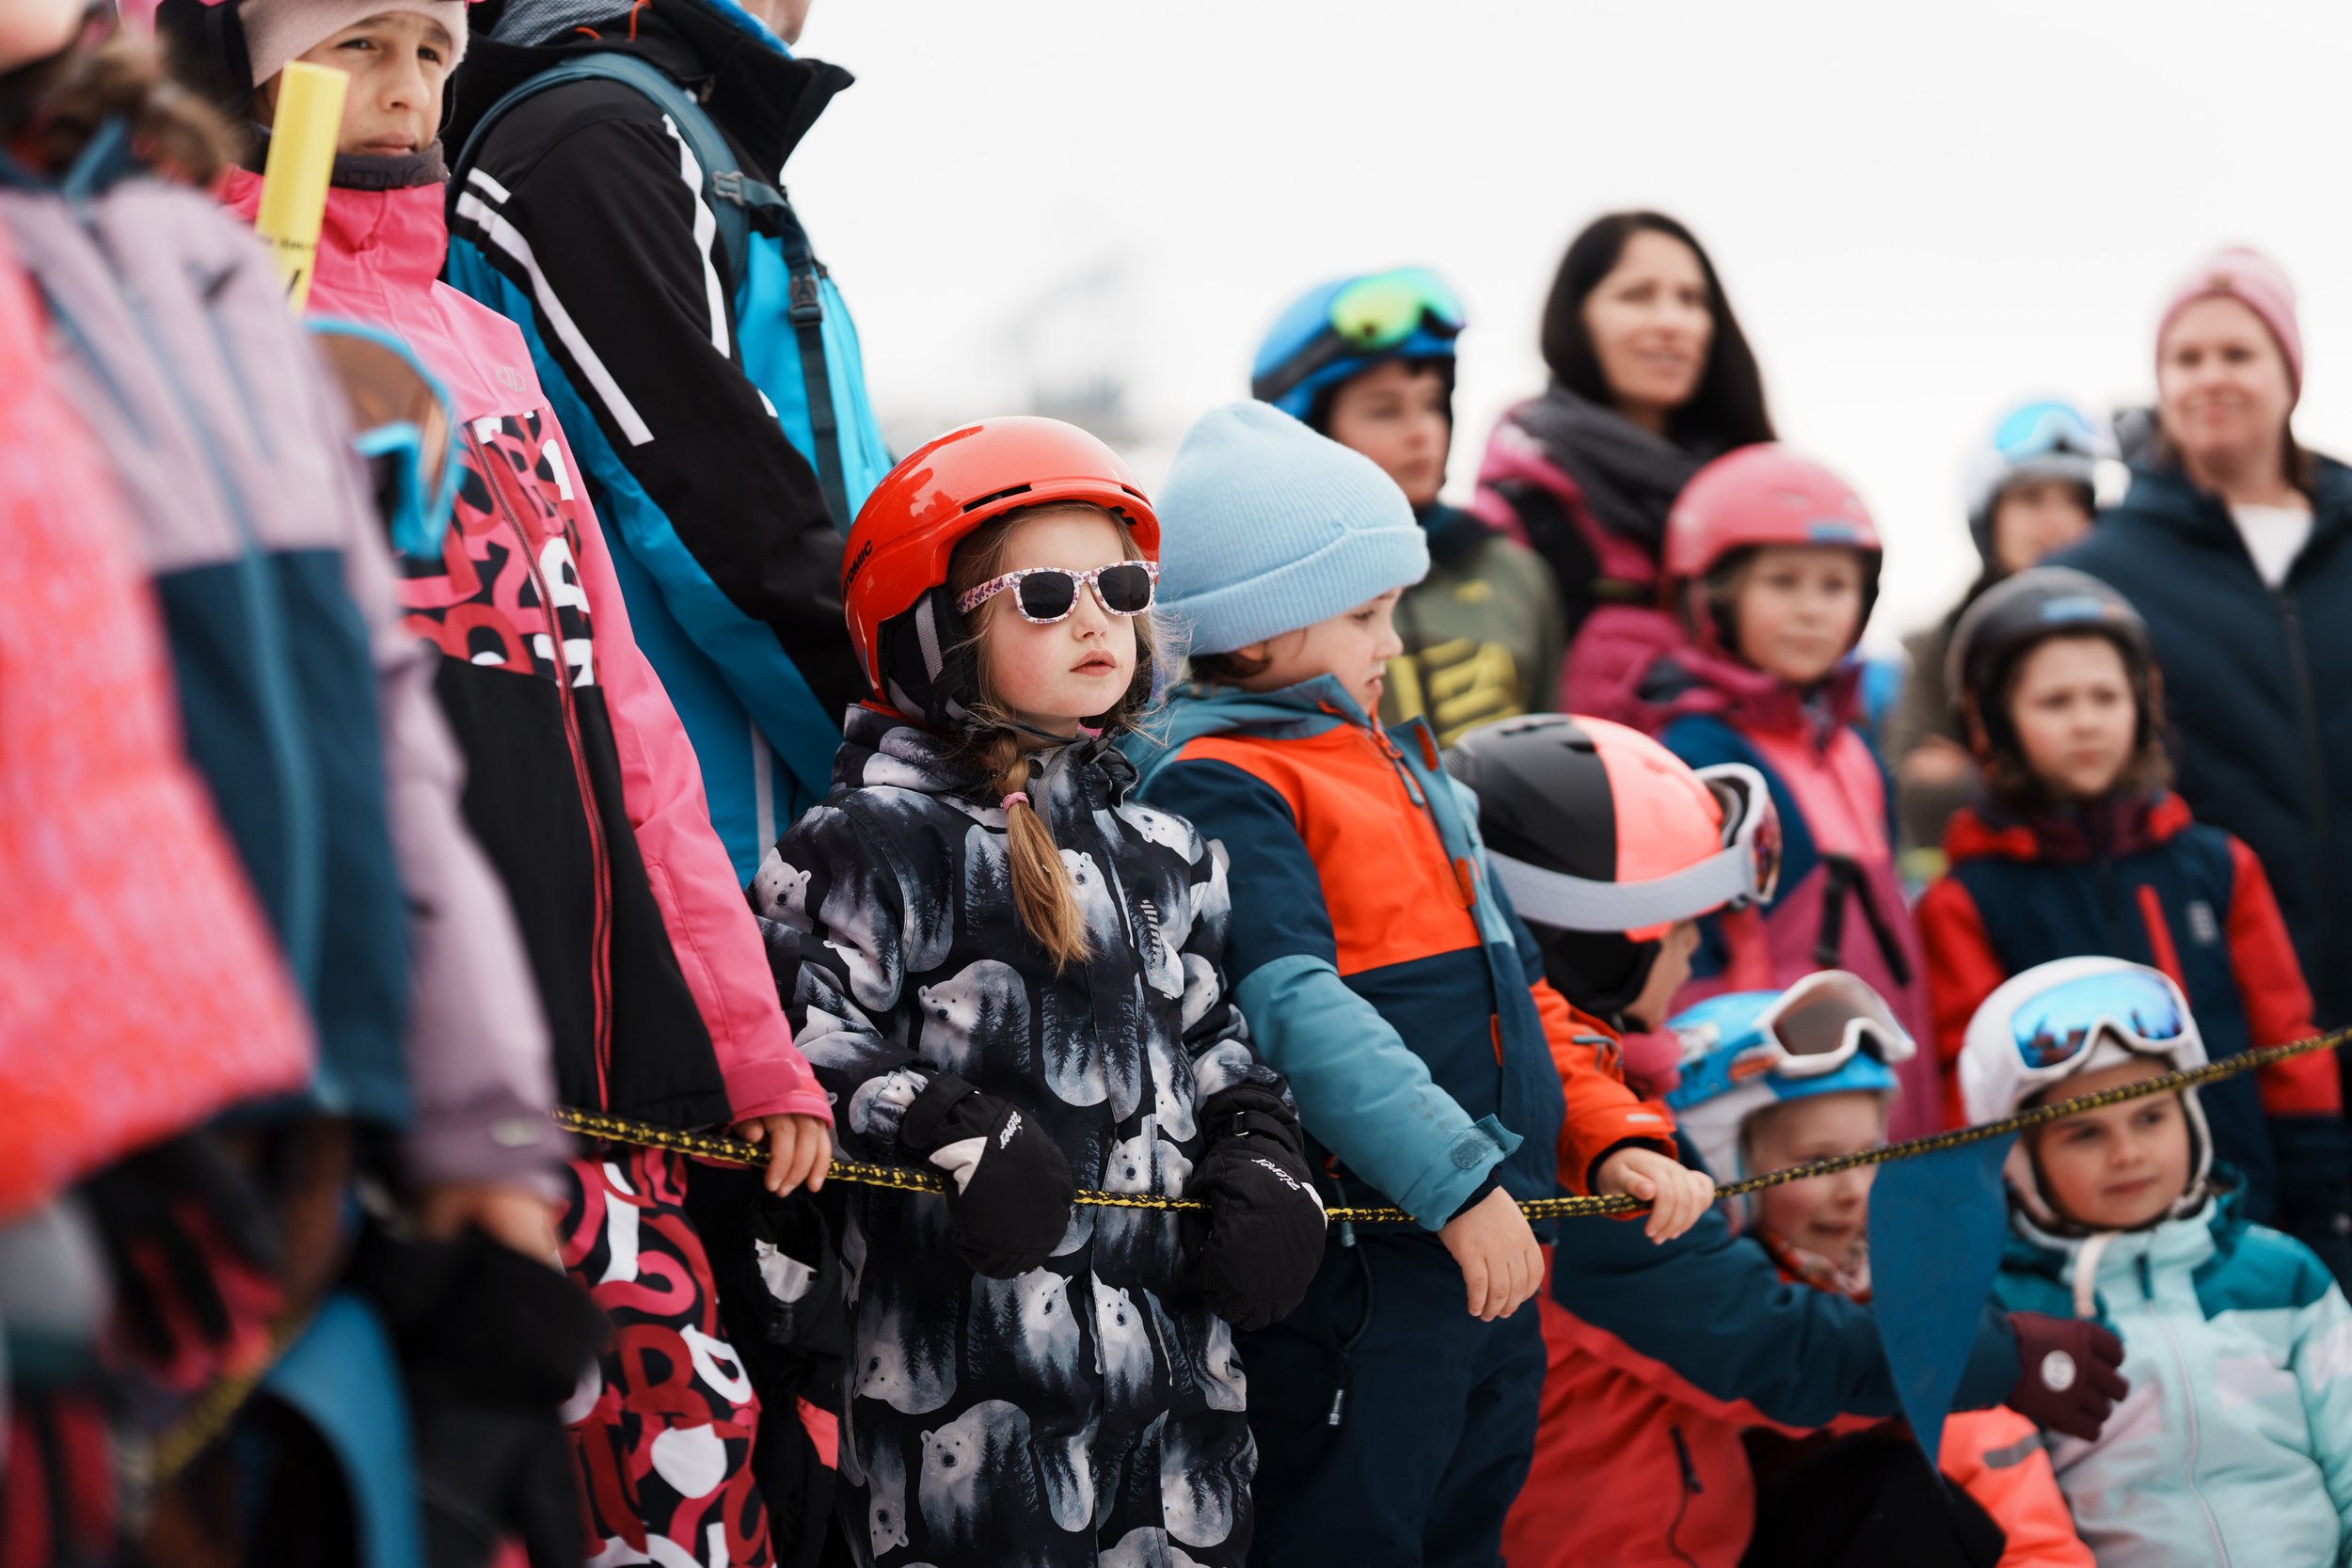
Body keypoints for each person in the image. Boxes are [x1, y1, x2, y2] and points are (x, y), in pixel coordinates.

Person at [158, 2, 849, 1555]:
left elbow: (635, 734)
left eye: (429, 51)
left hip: (583, 1053)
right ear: (246, 65)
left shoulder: (487, 344)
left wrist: (750, 1046)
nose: (403, 92)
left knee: (677, 1456)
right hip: (334, 1073)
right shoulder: (190, 310)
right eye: (352, 49)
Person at [0, 11, 569, 1559]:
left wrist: (480, 1132)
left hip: (298, 1141)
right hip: (63, 1172)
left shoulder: (184, 261)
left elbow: (377, 712)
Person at [1125, 402, 1716, 1567]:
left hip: (1490, 1253)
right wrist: (1456, 1185)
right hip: (1374, 1268)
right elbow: (1294, 1008)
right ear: (1262, 628)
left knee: (1468, 1523)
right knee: (1354, 1530)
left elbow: (1526, 998)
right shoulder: (1226, 782)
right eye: (1365, 613)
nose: (1391, 643)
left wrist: (1612, 1137)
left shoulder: (1402, 770)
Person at [753, 417, 1327, 1568]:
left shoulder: (1167, 848)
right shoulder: (865, 844)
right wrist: (946, 1126)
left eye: (1120, 587)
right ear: (934, 630)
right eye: (1046, 592)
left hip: (1171, 1411)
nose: (1095, 618)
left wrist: (1261, 1148)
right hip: (961, 1397)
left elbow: (1214, 1035)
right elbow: (796, 1042)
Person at [1448, 717, 2114, 1568]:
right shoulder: (1559, 1139)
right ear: (1599, 946)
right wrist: (2004, 1354)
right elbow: (1764, 1345)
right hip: (1592, 1544)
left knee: (1890, 1494)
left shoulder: (1590, 1095)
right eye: (1678, 925)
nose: (1695, 951)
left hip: (1673, 1525)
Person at [442, 0, 893, 882]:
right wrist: (924, 765)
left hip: (773, 831)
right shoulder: (589, 139)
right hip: (713, 849)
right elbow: (722, 519)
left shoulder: (658, 127)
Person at [1915, 566, 2350, 1277]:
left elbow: (2286, 1039)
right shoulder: (1968, 899)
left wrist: (2321, 1188)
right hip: (2073, 1253)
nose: (2086, 720)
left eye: (2105, 696)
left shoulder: (2216, 865)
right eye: (2055, 701)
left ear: (2143, 705)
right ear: (1992, 720)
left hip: (2244, 1215)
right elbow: (1967, 1083)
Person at [1644, 975, 2093, 1568]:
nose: (1855, 1192)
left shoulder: (1906, 1295)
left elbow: (2015, 1505)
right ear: (1725, 1169)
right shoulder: (1694, 1328)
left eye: (1869, 1157)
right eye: (1817, 1163)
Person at [2055, 247, 2352, 1069]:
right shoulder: (2093, 579)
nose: (2209, 377)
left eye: (2238, 353)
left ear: (2291, 373)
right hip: (2201, 999)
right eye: (2186, 358)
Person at [1962, 957, 2352, 1567]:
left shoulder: (2282, 1275)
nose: (2128, 1153)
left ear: (2192, 1117)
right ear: (2018, 1160)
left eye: (2151, 1116)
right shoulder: (2006, 1320)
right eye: (2084, 1133)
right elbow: (2017, 1520)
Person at [1640, 445, 1935, 1133]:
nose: (1811, 609)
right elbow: (1689, 960)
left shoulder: (1854, 746)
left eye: (1834, 587)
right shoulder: (1697, 754)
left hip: (1889, 1075)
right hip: (1777, 1100)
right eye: (1782, 582)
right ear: (1712, 594)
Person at [1470, 210, 1776, 727]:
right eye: (1637, 295)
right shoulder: (1524, 504)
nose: (1672, 322)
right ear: (1576, 315)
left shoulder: (1764, 487)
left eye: (1692, 300)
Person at [1250, 266, 1564, 743]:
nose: (1423, 431)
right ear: (1306, 431)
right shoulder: (1262, 598)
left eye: (1433, 403)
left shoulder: (1513, 574)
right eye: (1386, 410)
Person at [1886, 401, 2105, 869]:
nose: (2056, 521)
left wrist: (1983, 771)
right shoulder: (1941, 647)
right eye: (2030, 500)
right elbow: (1917, 799)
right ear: (1990, 517)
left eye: (2073, 501)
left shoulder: (2130, 634)